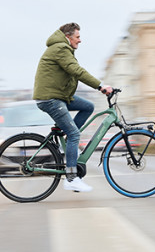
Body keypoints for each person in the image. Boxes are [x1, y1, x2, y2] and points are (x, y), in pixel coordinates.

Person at [33, 22, 112, 192]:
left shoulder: (62, 48)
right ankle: (71, 178)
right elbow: (77, 71)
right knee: (75, 133)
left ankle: (69, 143)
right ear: (68, 37)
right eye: (78, 37)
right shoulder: (61, 48)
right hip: (50, 99)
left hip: (59, 95)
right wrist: (100, 86)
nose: (80, 40)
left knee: (88, 106)